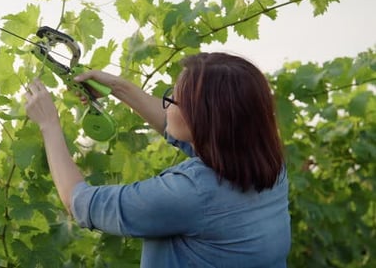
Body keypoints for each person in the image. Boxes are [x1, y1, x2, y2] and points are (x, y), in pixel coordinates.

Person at [24, 52, 291, 268]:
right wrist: (118, 87)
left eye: (173, 99)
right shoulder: (268, 163)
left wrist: (49, 124)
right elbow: (173, 123)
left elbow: (79, 202)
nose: (166, 104)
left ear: (203, 121)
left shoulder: (190, 194)